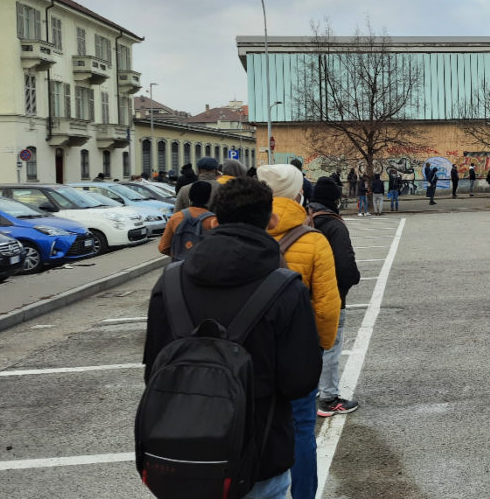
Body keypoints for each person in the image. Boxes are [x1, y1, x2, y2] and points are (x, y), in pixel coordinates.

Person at [142, 177, 322, 499]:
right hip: (258, 453)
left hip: (180, 454)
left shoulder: (169, 282)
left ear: (214, 219)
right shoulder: (286, 289)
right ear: (272, 219)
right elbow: (300, 381)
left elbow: (153, 369)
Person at [256, 164, 342, 499]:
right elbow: (326, 306)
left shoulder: (244, 228)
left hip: (251, 348)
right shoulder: (313, 239)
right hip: (296, 351)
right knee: (302, 429)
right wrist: (320, 346)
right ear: (298, 192)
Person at [305, 177, 362, 419]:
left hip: (304, 295)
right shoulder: (334, 225)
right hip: (331, 296)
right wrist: (352, 280)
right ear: (335, 199)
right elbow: (345, 267)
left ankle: (315, 391)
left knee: (312, 346)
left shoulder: (305, 220)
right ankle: (329, 398)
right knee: (330, 345)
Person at [158, 181, 219, 258]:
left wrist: (178, 254)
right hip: (204, 266)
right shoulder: (213, 220)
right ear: (209, 198)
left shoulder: (176, 218)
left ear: (190, 197)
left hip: (181, 266)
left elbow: (163, 247)